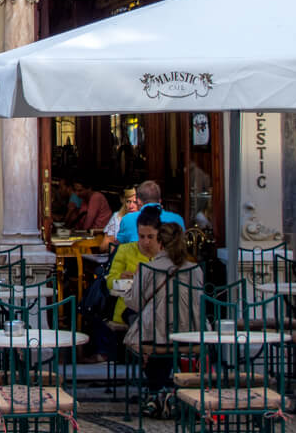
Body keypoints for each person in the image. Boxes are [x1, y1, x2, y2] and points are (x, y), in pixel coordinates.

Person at [124, 214, 204, 419]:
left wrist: (128, 290)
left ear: (159, 242)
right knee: (167, 335)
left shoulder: (148, 268)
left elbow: (134, 303)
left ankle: (154, 392)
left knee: (150, 334)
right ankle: (167, 392)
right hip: (192, 334)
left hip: (155, 336)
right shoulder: (195, 269)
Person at [116, 180, 185, 243]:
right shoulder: (178, 219)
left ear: (139, 201)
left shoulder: (127, 219)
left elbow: (118, 248)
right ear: (160, 201)